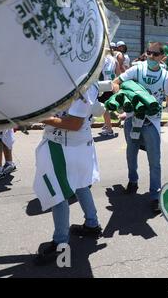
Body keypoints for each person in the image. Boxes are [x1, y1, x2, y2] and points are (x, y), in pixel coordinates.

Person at [33, 83, 102, 266]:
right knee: (80, 183)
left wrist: (40, 117)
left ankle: (60, 243)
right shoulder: (79, 77)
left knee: (59, 193)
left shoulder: (82, 84)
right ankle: (92, 224)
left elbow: (73, 123)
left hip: (64, 146)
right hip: (76, 145)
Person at [111, 42, 168, 213]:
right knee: (131, 153)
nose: (151, 57)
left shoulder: (167, 76)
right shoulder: (138, 69)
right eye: (149, 53)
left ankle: (155, 195)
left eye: (155, 54)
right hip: (133, 119)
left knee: (154, 160)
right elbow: (116, 81)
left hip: (152, 122)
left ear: (162, 57)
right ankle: (132, 181)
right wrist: (120, 98)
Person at [98, 43, 122, 137]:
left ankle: (109, 128)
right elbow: (118, 74)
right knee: (105, 107)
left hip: (102, 85)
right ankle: (107, 124)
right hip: (111, 84)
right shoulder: (114, 59)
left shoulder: (101, 59)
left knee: (104, 108)